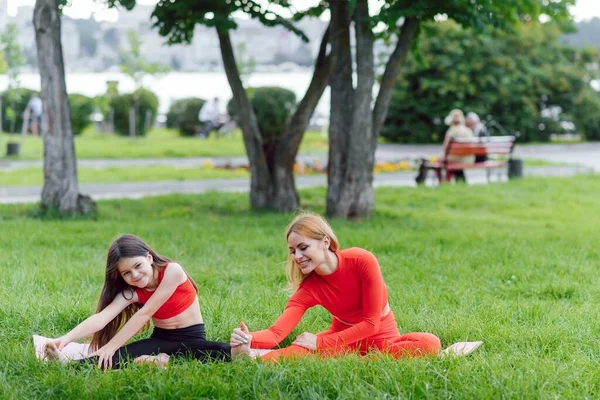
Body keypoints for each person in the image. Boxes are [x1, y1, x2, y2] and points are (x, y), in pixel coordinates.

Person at [228, 212, 442, 362]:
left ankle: (358, 360)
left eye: (303, 248)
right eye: (292, 251)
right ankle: (255, 357)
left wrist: (321, 343)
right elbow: (276, 333)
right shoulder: (309, 288)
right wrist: (247, 338)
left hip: (382, 336)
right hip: (342, 338)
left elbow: (370, 324)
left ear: (325, 242)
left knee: (429, 343)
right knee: (299, 351)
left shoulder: (362, 260)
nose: (297, 257)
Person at [43, 234, 231, 370]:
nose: (135, 275)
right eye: (126, 273)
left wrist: (111, 345)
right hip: (161, 338)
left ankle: (163, 360)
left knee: (223, 352)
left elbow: (145, 313)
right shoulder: (131, 292)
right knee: (112, 358)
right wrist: (64, 339)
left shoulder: (172, 271)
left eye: (138, 266)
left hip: (192, 338)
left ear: (149, 258)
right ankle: (67, 365)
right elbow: (101, 318)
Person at [441, 109, 474, 183]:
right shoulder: (468, 131)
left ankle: (443, 182)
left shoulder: (451, 131)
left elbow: (445, 148)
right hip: (468, 159)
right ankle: (460, 181)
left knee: (440, 162)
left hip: (454, 159)